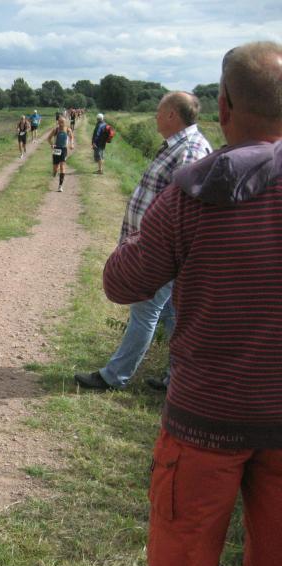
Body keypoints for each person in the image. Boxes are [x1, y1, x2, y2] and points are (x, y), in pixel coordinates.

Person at [102, 41, 282, 566]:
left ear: (224, 106)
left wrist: (139, 238)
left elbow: (121, 283)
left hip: (204, 418)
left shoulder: (193, 195)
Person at [74, 92, 212, 392]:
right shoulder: (178, 146)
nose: (155, 116)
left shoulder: (190, 150)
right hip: (158, 247)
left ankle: (114, 377)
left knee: (145, 311)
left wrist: (157, 247)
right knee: (171, 314)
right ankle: (177, 379)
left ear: (173, 115)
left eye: (159, 111)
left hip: (162, 251)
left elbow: (185, 206)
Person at [47, 115, 74, 192]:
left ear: (65, 122)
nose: (61, 123)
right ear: (58, 122)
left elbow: (71, 137)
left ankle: (60, 186)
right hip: (56, 149)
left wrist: (71, 144)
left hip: (64, 149)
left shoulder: (68, 129)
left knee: (62, 166)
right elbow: (48, 138)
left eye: (62, 122)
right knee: (55, 168)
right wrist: (52, 144)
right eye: (60, 122)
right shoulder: (55, 130)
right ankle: (55, 172)